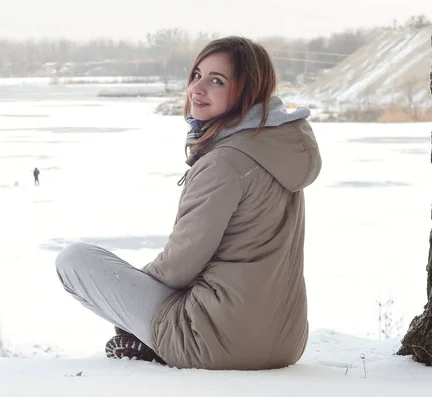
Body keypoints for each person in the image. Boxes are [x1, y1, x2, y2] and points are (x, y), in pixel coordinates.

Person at [55, 36, 322, 370]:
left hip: (214, 340)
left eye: (216, 81)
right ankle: (148, 337)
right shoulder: (277, 149)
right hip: (286, 341)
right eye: (196, 75)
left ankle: (152, 340)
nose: (197, 88)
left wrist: (131, 301)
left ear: (248, 90)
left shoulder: (225, 162)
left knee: (74, 259)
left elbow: (179, 266)